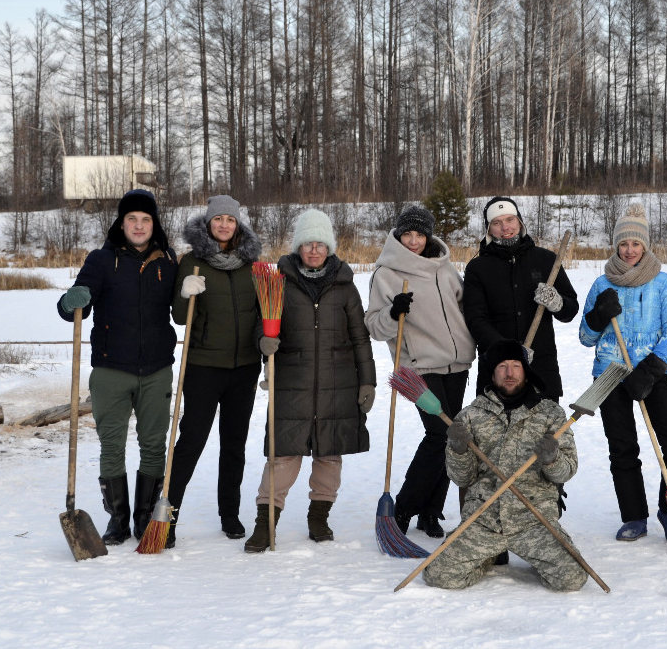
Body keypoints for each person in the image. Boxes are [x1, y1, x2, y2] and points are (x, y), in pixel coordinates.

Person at [243, 209, 376, 552]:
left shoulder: (345, 285)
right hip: (292, 381)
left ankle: (319, 518)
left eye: (320, 244)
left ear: (329, 247)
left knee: (329, 455)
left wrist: (368, 382)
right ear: (298, 248)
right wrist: (264, 341)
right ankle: (265, 525)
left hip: (339, 382)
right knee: (283, 454)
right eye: (307, 244)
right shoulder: (279, 282)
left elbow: (360, 337)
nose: (313, 250)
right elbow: (263, 323)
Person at [55, 189, 178, 546]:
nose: (138, 226)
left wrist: (187, 293)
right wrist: (70, 301)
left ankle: (145, 519)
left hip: (157, 368)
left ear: (153, 224)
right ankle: (118, 520)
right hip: (111, 370)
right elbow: (72, 308)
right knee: (112, 445)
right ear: (121, 223)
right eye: (132, 219)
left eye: (145, 219)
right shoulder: (101, 260)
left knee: (154, 445)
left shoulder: (167, 260)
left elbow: (181, 313)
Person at [422, 340, 587, 591]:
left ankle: (535, 556)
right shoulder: (470, 416)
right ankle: (488, 555)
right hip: (484, 518)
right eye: (502, 366)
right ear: (493, 373)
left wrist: (552, 459)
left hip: (534, 519)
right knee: (439, 576)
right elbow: (462, 479)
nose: (509, 373)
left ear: (525, 371)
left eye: (515, 366)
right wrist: (458, 450)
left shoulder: (550, 414)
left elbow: (568, 470)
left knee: (572, 579)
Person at [578, 204, 667, 542]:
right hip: (609, 373)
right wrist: (598, 316)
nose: (629, 251)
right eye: (624, 244)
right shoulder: (602, 283)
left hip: (650, 372)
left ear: (645, 246)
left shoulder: (663, 283)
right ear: (616, 246)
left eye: (636, 244)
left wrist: (653, 367)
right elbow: (586, 338)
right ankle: (633, 517)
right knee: (623, 447)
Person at [365, 205, 476, 539]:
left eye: (419, 234)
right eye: (407, 234)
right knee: (440, 434)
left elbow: (461, 305)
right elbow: (374, 326)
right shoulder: (386, 272)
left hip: (456, 363)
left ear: (429, 236)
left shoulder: (443, 267)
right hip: (418, 367)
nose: (413, 241)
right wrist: (392, 312)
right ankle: (403, 508)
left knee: (452, 438)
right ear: (398, 235)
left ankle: (431, 511)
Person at [165, 195, 263, 548]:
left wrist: (266, 349)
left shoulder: (252, 264)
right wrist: (185, 294)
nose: (224, 225)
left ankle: (230, 514)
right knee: (191, 441)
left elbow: (262, 314)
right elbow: (179, 316)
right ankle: (167, 516)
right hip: (205, 366)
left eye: (230, 220)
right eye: (218, 219)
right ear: (208, 223)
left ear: (239, 225)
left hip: (245, 368)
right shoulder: (192, 261)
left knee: (234, 445)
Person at [462, 196, 578, 402]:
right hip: (497, 373)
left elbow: (570, 311)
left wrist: (556, 302)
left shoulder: (546, 260)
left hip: (542, 369)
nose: (505, 227)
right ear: (488, 229)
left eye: (510, 220)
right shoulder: (477, 268)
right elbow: (476, 319)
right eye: (496, 223)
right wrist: (509, 351)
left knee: (546, 433)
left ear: (520, 222)